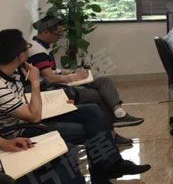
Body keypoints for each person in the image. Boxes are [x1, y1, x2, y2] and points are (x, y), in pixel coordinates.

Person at [0, 29, 151, 184]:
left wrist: (57, 103)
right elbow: (33, 117)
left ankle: (113, 164)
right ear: (20, 56)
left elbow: (23, 103)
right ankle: (104, 180)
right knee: (92, 131)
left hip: (29, 116)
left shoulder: (14, 73)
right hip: (21, 130)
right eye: (26, 47)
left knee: (91, 110)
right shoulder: (3, 84)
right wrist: (35, 82)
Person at [28, 17, 143, 146]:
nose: (59, 37)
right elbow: (50, 78)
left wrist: (73, 73)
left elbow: (53, 70)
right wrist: (71, 78)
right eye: (58, 34)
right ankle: (111, 134)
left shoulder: (43, 47)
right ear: (45, 33)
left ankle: (119, 112)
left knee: (103, 81)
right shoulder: (36, 50)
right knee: (99, 96)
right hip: (54, 91)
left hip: (62, 83)